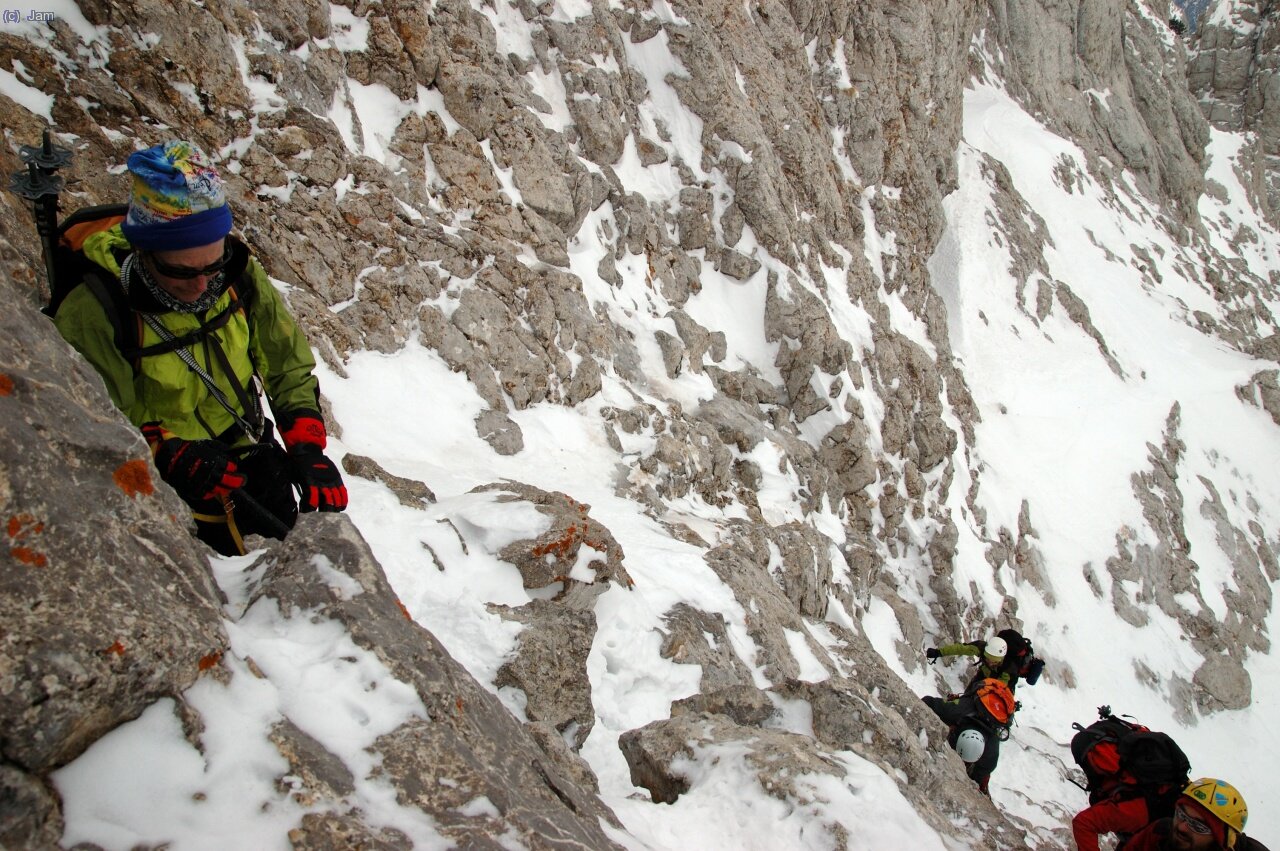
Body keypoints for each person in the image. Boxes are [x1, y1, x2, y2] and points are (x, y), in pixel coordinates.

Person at [53, 140, 346, 555]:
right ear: (145, 251)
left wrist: (306, 445)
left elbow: (285, 363)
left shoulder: (239, 276)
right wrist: (166, 450)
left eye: (214, 264)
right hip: (169, 487)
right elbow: (98, 417)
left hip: (252, 454)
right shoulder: (95, 310)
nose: (203, 285)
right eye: (181, 271)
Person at [1118, 778, 1264, 851]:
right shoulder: (1161, 833)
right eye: (1181, 815)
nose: (1181, 827)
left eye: (1197, 825)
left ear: (1220, 838)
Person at [926, 630, 1045, 692]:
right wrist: (938, 653)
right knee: (970, 694)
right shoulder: (983, 648)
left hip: (996, 681)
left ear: (1001, 658)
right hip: (985, 674)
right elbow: (961, 648)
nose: (988, 661)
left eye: (993, 661)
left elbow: (1003, 689)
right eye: (987, 658)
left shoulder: (1009, 670)